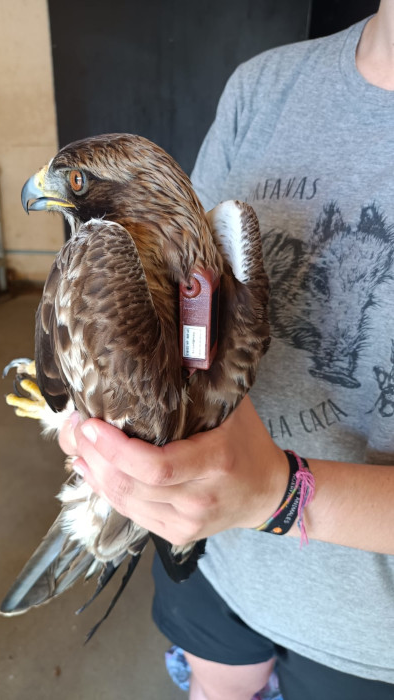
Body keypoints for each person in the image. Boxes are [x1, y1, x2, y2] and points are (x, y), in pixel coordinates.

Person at [59, 2, 394, 698]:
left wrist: (281, 497)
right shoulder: (264, 87)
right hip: (214, 565)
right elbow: (187, 296)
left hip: (366, 644)